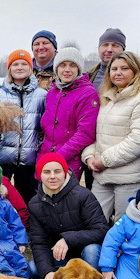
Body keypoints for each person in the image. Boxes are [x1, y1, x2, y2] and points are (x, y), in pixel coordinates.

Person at [82, 51, 140, 223]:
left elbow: (139, 139)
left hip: (129, 177)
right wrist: (89, 156)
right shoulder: (107, 98)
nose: (118, 73)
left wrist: (104, 160)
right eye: (114, 68)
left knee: (123, 225)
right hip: (102, 176)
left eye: (124, 68)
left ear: (135, 71)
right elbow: (95, 133)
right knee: (93, 221)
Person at [28, 153, 108, 279]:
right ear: (40, 175)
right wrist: (47, 271)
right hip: (60, 255)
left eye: (57, 171)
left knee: (92, 250)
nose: (52, 176)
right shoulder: (35, 203)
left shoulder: (83, 195)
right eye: (47, 172)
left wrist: (68, 239)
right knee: (34, 269)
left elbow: (101, 230)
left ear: (65, 173)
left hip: (85, 253)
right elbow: (39, 242)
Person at [0, 49, 46, 202]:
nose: (20, 67)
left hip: (29, 160)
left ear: (31, 68)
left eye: (24, 64)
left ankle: (26, 226)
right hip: (3, 159)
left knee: (26, 200)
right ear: (9, 69)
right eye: (15, 64)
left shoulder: (42, 95)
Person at [38, 47, 99, 181]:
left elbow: (85, 133)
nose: (67, 70)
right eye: (63, 65)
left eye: (72, 65)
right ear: (56, 69)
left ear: (78, 69)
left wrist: (58, 157)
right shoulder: (52, 93)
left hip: (68, 162)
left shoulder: (87, 94)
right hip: (45, 159)